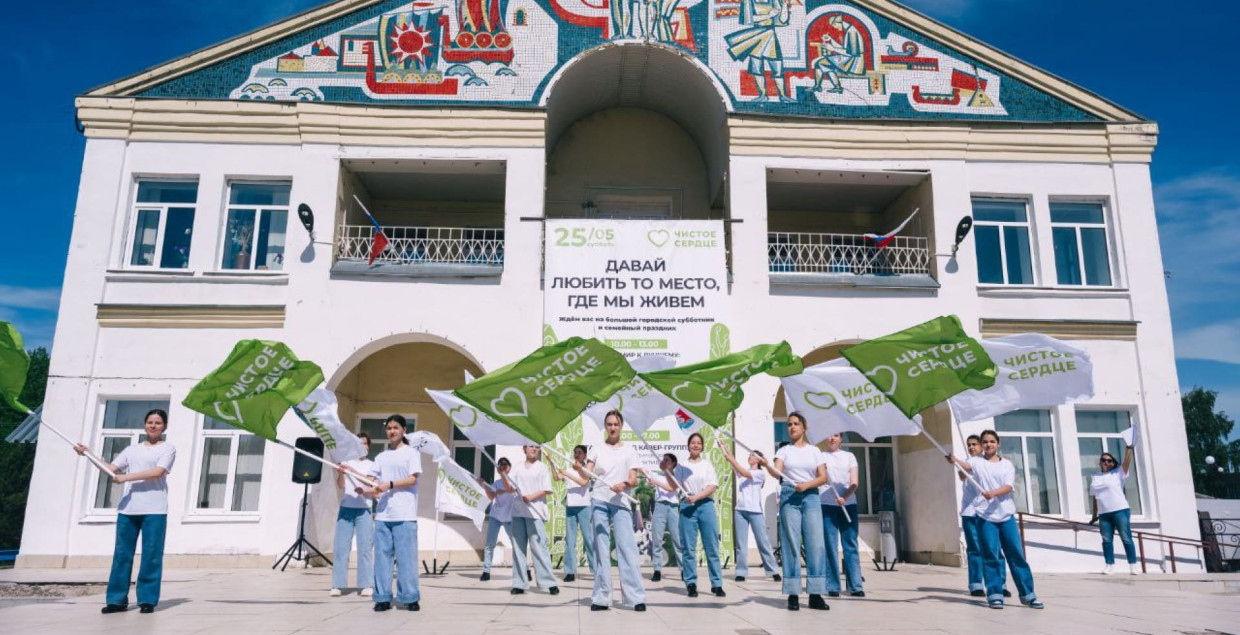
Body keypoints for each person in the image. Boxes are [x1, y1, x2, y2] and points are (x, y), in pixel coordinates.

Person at [76, 408, 176, 615]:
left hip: (155, 510)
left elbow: (157, 472)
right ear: (145, 424)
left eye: (158, 423)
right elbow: (111, 469)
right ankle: (116, 600)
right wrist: (88, 454)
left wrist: (126, 477)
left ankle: (147, 600)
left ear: (164, 426)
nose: (153, 426)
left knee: (151, 556)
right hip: (128, 509)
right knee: (122, 555)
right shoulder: (132, 450)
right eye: (150, 422)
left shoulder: (168, 448)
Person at [948, 430, 1044, 610]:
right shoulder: (976, 461)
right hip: (985, 518)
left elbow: (1008, 487)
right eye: (985, 442)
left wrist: (992, 493)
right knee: (990, 556)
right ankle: (994, 594)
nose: (988, 444)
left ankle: (1028, 595)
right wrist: (954, 460)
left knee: (1016, 555)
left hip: (1006, 516)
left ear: (998, 443)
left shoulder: (1006, 465)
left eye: (992, 441)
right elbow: (965, 466)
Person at [579, 410, 646, 611]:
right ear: (605, 426)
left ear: (621, 425)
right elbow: (586, 475)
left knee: (627, 549)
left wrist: (624, 484)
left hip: (621, 500)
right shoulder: (597, 449)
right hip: (599, 499)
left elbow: (633, 479)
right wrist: (579, 468)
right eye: (609, 424)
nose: (612, 427)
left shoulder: (630, 451)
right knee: (601, 549)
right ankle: (601, 597)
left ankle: (635, 598)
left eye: (616, 424)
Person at [359, 415, 422, 612]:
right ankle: (383, 597)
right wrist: (353, 475)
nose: (392, 431)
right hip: (383, 515)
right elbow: (370, 482)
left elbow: (413, 479)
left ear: (404, 430)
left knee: (406, 558)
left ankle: (410, 597)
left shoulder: (411, 453)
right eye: (389, 428)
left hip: (404, 514)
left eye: (396, 427)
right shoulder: (381, 457)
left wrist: (390, 484)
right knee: (382, 558)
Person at [768, 413, 829, 611]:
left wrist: (807, 485)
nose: (792, 427)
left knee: (815, 543)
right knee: (791, 543)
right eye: (789, 424)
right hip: (789, 495)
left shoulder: (815, 451)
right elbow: (777, 472)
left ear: (804, 427)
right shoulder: (784, 451)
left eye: (796, 424)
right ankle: (793, 593)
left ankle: (815, 594)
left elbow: (823, 477)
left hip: (810, 495)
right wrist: (765, 464)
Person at [720, 441, 780, 583]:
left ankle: (773, 571)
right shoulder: (742, 472)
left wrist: (732, 460)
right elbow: (737, 467)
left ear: (759, 460)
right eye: (749, 455)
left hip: (755, 512)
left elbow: (744, 472)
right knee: (741, 544)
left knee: (763, 542)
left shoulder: (760, 473)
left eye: (753, 455)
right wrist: (724, 447)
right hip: (740, 511)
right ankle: (741, 572)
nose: (750, 457)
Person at [676, 432, 725, 598]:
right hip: (687, 506)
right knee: (688, 548)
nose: (695, 445)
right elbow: (674, 485)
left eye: (698, 443)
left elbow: (712, 486)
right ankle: (690, 583)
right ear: (688, 445)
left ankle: (717, 584)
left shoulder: (707, 465)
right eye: (692, 442)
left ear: (702, 446)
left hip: (705, 505)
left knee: (711, 546)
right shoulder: (681, 466)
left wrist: (696, 497)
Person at [508, 446, 560, 595]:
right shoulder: (517, 467)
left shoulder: (542, 467)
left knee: (539, 548)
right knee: (518, 548)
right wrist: (502, 475)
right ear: (524, 448)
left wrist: (531, 497)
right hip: (518, 511)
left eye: (537, 447)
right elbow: (510, 488)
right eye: (531, 446)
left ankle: (548, 582)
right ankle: (519, 583)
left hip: (536, 512)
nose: (534, 449)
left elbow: (547, 489)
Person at [332, 433, 375, 597]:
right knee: (341, 547)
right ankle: (338, 584)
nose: (362, 446)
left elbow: (370, 482)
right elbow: (340, 485)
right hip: (346, 508)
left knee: (365, 548)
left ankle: (366, 584)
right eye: (359, 443)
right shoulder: (346, 462)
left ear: (368, 447)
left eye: (364, 443)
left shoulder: (372, 465)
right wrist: (342, 472)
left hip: (364, 509)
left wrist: (352, 470)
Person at [819, 433, 862, 597]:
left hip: (847, 505)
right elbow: (819, 478)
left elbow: (854, 482)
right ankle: (832, 586)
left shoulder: (849, 456)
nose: (831, 438)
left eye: (836, 435)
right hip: (827, 505)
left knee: (850, 543)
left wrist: (846, 496)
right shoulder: (821, 456)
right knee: (830, 545)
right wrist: (822, 472)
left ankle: (855, 586)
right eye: (829, 435)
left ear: (841, 438)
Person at [549, 445, 597, 582]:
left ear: (584, 455)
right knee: (570, 540)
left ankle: (595, 570)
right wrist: (551, 463)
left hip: (584, 508)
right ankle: (570, 571)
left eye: (579, 452)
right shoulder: (568, 469)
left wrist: (566, 473)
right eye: (575, 452)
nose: (576, 454)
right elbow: (556, 477)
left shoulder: (586, 470)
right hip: (570, 507)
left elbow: (583, 482)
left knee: (588, 539)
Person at [1089, 444, 1139, 575]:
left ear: (1112, 463)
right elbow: (1095, 498)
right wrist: (1094, 515)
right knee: (1106, 540)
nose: (1106, 462)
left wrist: (1128, 448)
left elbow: (1127, 462)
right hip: (1104, 514)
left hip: (1120, 510)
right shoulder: (1096, 477)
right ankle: (1109, 565)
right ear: (1100, 462)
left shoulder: (1117, 473)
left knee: (1126, 537)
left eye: (1109, 460)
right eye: (1104, 460)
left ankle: (1133, 565)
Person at [644, 453, 685, 582]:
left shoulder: (677, 476)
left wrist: (661, 476)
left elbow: (671, 488)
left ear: (673, 463)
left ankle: (683, 570)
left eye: (667, 460)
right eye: (663, 459)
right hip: (660, 506)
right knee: (657, 539)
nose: (664, 461)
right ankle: (657, 570)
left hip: (673, 508)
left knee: (677, 539)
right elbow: (643, 470)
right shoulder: (657, 475)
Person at [479, 457, 516, 582]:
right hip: (495, 516)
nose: (503, 466)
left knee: (516, 544)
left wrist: (503, 490)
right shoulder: (496, 483)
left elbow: (511, 489)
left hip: (509, 518)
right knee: (490, 544)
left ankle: (525, 569)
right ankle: (486, 571)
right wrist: (484, 485)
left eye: (505, 465)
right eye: (500, 465)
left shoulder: (514, 480)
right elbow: (491, 496)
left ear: (509, 467)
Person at [813, 13, 866, 93]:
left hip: (854, 62)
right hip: (850, 59)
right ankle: (836, 87)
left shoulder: (852, 32)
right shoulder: (849, 30)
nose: (836, 28)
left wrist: (832, 48)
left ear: (836, 23)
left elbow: (852, 53)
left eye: (835, 26)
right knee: (823, 64)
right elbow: (845, 49)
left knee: (819, 63)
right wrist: (831, 39)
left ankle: (820, 86)